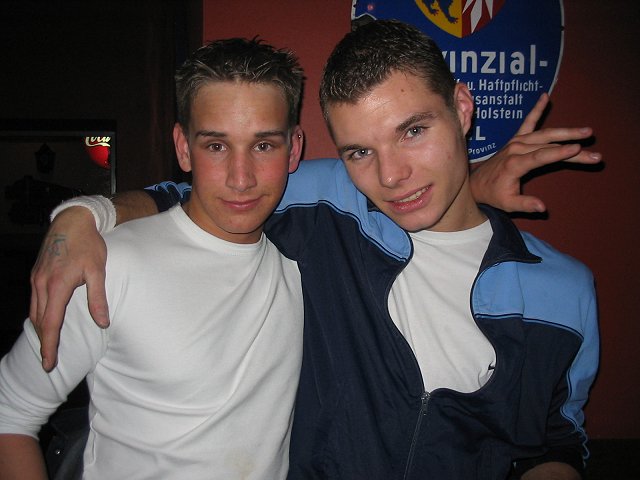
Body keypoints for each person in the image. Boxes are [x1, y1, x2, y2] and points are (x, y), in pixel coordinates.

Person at [26, 22, 600, 480]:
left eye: (413, 131)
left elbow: (557, 441)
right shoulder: (327, 210)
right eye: (359, 152)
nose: (392, 176)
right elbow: (193, 194)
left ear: (463, 109)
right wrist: (83, 215)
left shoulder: (564, 291)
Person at [0, 37, 305, 479]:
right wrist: (79, 215)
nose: (241, 179)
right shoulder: (110, 265)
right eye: (216, 146)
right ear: (183, 147)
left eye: (263, 146)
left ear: (293, 149)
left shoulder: (301, 263)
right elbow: (10, 415)